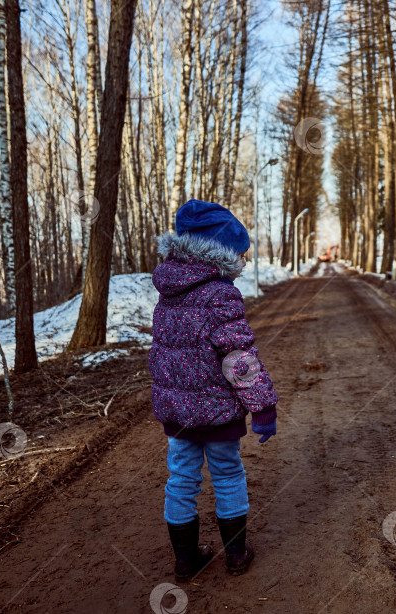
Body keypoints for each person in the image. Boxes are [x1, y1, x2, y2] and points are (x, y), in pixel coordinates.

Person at [149, 199, 279, 582]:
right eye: (241, 254)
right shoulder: (220, 294)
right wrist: (263, 406)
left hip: (178, 414)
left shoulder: (167, 290)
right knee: (227, 474)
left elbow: (165, 352)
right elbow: (238, 359)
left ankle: (187, 558)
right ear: (222, 253)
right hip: (218, 412)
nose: (244, 262)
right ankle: (237, 554)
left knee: (181, 478)